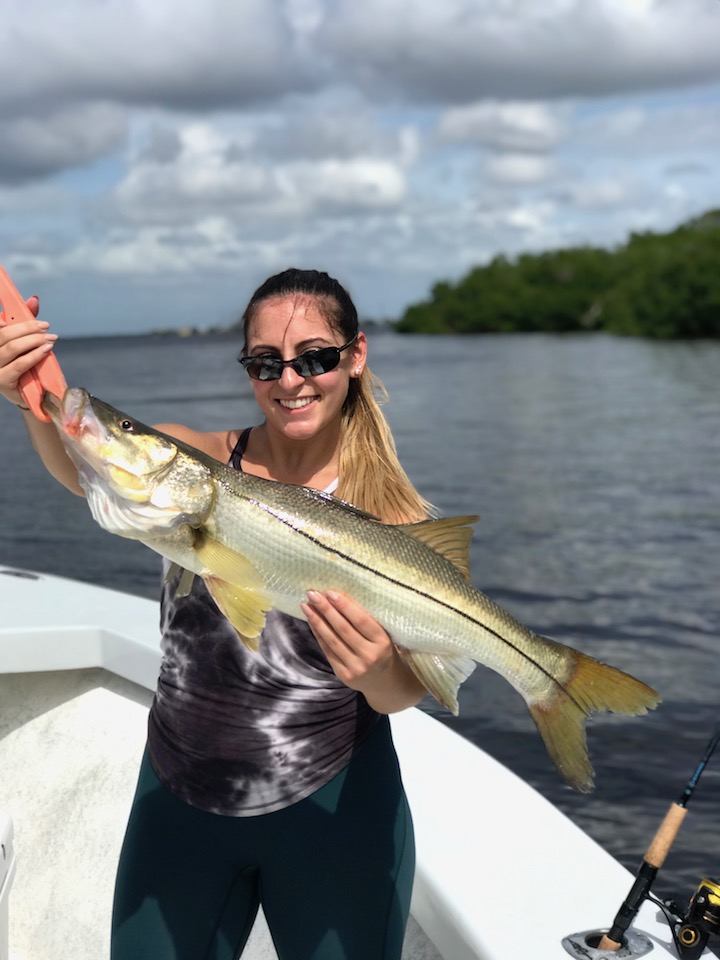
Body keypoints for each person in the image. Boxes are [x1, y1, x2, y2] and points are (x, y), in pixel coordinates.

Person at [0, 268, 431, 960]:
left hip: (336, 809)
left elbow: (406, 691)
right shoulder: (195, 459)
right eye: (266, 363)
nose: (290, 381)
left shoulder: (393, 515)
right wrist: (30, 388)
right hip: (179, 799)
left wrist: (378, 671)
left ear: (355, 356)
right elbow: (87, 460)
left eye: (315, 358)